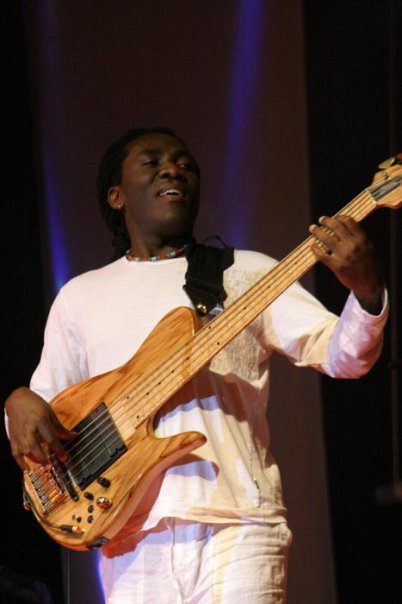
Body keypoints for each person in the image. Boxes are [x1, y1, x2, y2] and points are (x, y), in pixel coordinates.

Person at [5, 127, 388, 603]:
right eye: (152, 162)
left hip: (239, 522)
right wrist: (18, 400)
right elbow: (45, 414)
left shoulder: (246, 272)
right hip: (130, 536)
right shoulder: (80, 296)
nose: (173, 169)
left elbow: (343, 355)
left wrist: (366, 292)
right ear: (116, 195)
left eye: (185, 164)